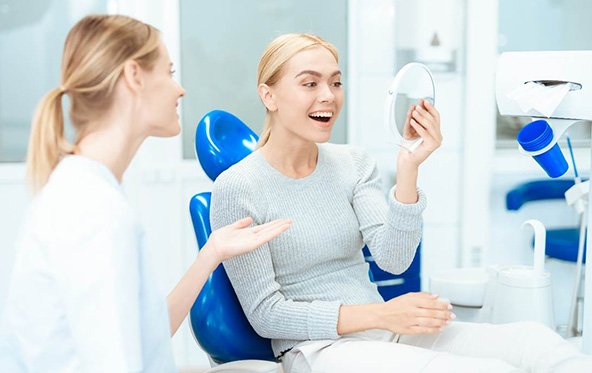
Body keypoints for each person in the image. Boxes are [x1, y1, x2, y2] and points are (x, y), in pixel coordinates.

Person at [210, 33, 592, 373]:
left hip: (385, 331)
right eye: (309, 83)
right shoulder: (238, 187)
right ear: (268, 95)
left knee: (532, 342)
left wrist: (409, 166)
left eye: (335, 82)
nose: (328, 95)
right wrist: (383, 313)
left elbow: (394, 259)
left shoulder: (353, 163)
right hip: (318, 350)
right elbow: (267, 316)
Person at [0, 15, 291, 372]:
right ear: (134, 76)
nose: (179, 89)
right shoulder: (92, 211)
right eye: (168, 72)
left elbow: (145, 336)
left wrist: (211, 253)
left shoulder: (86, 191)